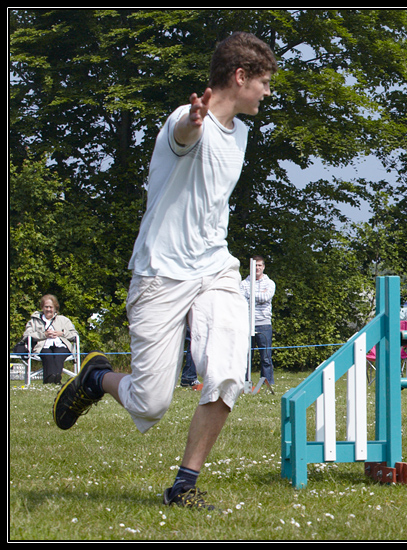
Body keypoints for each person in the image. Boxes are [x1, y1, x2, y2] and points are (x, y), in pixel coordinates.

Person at [52, 32, 278, 511]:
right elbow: (184, 135)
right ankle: (96, 379)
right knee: (150, 403)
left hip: (214, 266)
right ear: (240, 77)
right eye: (263, 82)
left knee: (226, 372)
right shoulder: (184, 117)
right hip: (161, 271)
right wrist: (195, 123)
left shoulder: (241, 133)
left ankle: (184, 485)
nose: (267, 91)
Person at [23, 294, 78, 385]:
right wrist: (44, 334)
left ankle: (52, 379)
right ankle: (53, 379)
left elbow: (75, 335)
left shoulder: (64, 320)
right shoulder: (34, 320)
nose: (48, 309)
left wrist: (62, 333)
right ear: (42, 307)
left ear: (55, 308)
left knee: (58, 355)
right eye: (46, 307)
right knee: (48, 355)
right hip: (42, 346)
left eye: (51, 307)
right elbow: (27, 335)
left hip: (61, 345)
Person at [240, 255, 276, 384]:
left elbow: (266, 297)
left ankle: (267, 383)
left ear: (263, 267)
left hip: (264, 324)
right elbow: (241, 300)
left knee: (266, 357)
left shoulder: (270, 283)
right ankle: (243, 383)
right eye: (255, 265)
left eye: (260, 265)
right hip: (247, 323)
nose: (257, 268)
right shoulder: (244, 283)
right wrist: (257, 296)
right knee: (246, 356)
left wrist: (250, 294)